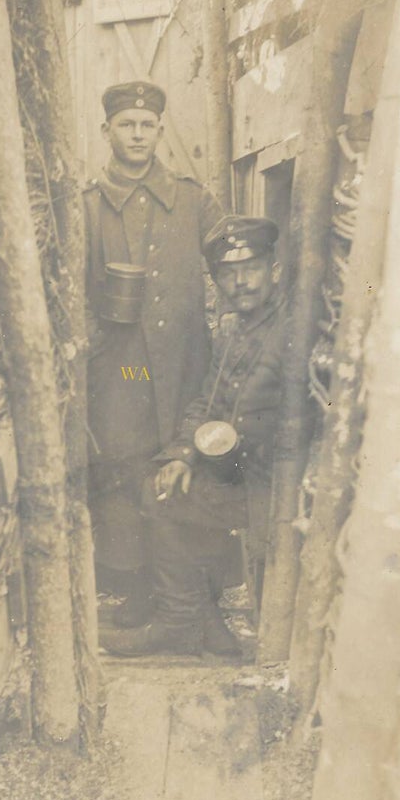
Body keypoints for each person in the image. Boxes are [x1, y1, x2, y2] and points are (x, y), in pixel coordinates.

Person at [101, 215, 288, 657]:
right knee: (163, 482)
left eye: (252, 268)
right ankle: (199, 622)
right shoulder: (234, 329)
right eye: (229, 273)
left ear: (273, 268)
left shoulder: (289, 331)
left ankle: (183, 622)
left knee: (163, 497)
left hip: (274, 481)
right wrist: (184, 456)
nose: (241, 282)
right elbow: (207, 399)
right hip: (237, 468)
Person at [83, 81, 223, 623]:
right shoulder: (90, 206)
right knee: (124, 469)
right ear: (107, 132)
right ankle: (139, 592)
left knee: (193, 464)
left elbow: (229, 270)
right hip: (123, 368)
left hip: (187, 363)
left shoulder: (193, 198)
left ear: (160, 131)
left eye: (146, 125)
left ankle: (199, 594)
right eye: (126, 125)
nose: (137, 134)